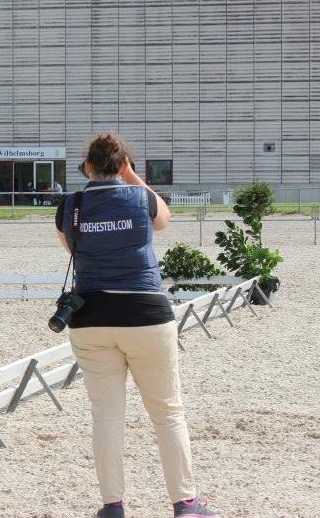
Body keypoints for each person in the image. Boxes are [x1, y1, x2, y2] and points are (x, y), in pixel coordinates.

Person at [55, 134, 219, 518]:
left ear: (87, 167)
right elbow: (164, 219)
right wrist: (134, 178)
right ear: (122, 165)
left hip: (92, 316)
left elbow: (72, 249)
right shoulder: (140, 198)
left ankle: (113, 505)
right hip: (145, 313)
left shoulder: (70, 206)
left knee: (107, 416)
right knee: (167, 412)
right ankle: (185, 502)